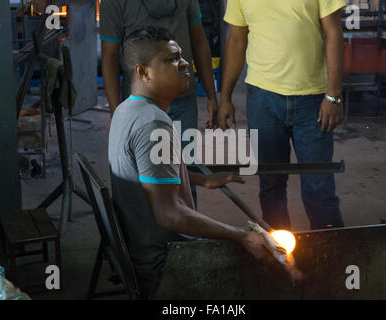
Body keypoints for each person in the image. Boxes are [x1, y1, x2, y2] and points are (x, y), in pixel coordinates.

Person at [108, 26, 276, 300]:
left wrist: (200, 179)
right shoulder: (153, 124)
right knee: (264, 268)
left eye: (181, 55)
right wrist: (240, 236)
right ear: (143, 72)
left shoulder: (128, 110)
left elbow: (148, 173)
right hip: (164, 262)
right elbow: (169, 214)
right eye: (171, 59)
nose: (184, 63)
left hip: (140, 248)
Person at [219, 0, 346, 230]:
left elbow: (334, 33)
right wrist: (225, 97)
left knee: (319, 185)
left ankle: (332, 256)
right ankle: (279, 255)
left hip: (312, 101)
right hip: (263, 100)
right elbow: (237, 39)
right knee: (271, 183)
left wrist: (333, 96)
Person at [99, 0, 219, 206]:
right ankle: (154, 236)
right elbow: (109, 56)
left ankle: (188, 235)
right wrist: (116, 112)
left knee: (184, 173)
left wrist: (212, 95)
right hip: (142, 101)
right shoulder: (114, 3)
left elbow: (198, 40)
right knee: (145, 179)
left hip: (182, 101)